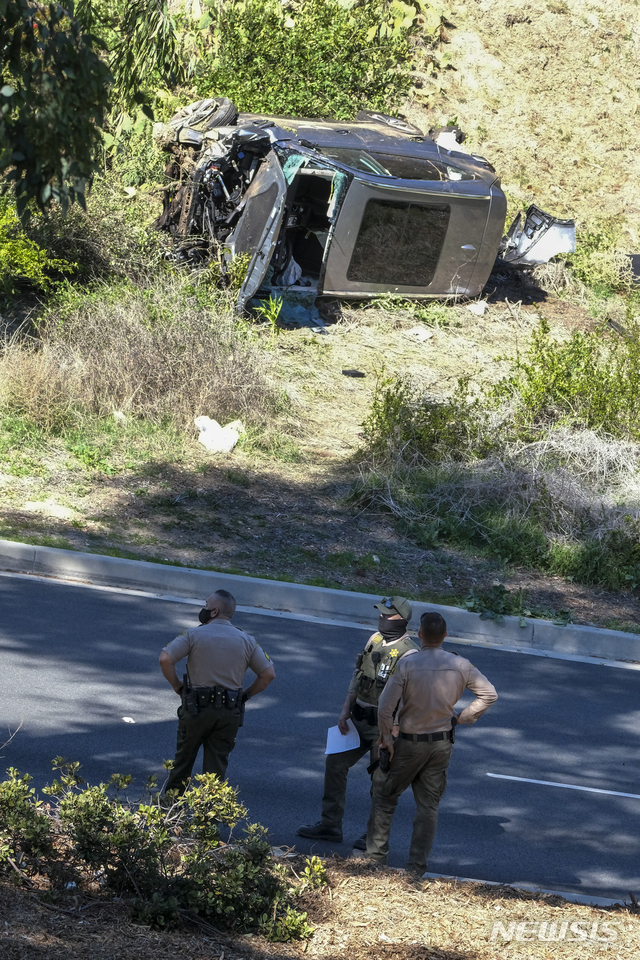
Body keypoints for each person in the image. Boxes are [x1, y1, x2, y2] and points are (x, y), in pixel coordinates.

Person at [363, 611, 497, 876]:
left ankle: (375, 863)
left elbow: (384, 707)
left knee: (384, 795)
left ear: (420, 635)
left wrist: (386, 738)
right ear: (445, 636)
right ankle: (415, 871)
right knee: (428, 807)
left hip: (409, 744)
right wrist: (462, 718)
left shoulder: (408, 665)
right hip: (441, 745)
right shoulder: (461, 665)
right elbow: (489, 694)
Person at [297, 597, 420, 849]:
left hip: (383, 727)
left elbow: (408, 697)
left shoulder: (410, 653)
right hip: (357, 718)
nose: (382, 618)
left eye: (388, 615)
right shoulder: (374, 639)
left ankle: (373, 835)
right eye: (381, 614)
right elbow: (358, 675)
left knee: (380, 781)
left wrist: (393, 731)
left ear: (403, 620)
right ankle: (330, 824)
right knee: (335, 763)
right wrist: (345, 709)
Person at [159, 588, 275, 794]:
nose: (203, 609)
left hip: (196, 709)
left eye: (206, 605)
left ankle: (170, 816)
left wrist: (177, 685)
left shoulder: (194, 634)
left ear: (214, 612)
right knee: (215, 772)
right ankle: (208, 822)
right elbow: (268, 674)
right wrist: (245, 696)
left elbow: (165, 659)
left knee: (182, 764)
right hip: (229, 712)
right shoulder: (247, 640)